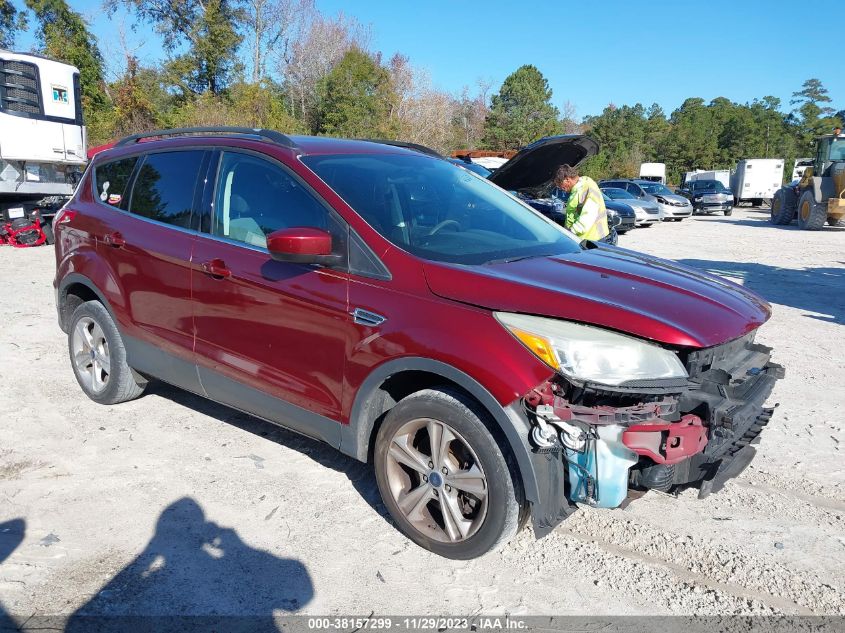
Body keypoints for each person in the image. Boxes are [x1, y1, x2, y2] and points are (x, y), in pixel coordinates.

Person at [553, 164, 610, 241]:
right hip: (583, 237)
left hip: (592, 239)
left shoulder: (587, 189)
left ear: (567, 179)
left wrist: (570, 233)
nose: (560, 188)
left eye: (560, 184)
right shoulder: (578, 187)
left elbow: (587, 217)